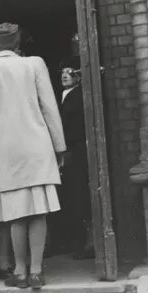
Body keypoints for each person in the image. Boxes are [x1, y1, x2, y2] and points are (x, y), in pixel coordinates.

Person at [0, 23, 67, 290]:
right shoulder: (35, 64)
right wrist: (59, 146)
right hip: (38, 147)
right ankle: (36, 272)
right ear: (17, 43)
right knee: (39, 212)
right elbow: (49, 107)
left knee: (16, 214)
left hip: (6, 152)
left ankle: (21, 272)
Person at [59, 57, 94, 259]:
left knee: (81, 194)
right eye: (63, 72)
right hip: (69, 151)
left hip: (77, 151)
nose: (65, 75)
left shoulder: (79, 95)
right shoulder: (63, 95)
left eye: (70, 71)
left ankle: (90, 242)